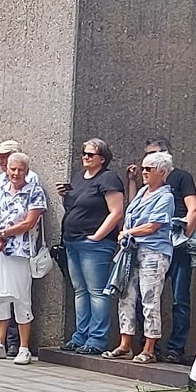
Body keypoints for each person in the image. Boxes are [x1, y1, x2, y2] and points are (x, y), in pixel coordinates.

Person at [125, 136, 196, 364]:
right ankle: (145, 345)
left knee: (179, 297)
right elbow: (132, 208)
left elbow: (194, 209)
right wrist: (131, 180)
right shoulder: (146, 187)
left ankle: (175, 348)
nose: (145, 165)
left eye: (153, 157)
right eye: (145, 159)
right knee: (142, 295)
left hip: (172, 240)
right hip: (146, 242)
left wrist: (183, 237)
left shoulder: (180, 178)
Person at [104, 150, 175, 365]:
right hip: (131, 251)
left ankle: (149, 348)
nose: (144, 172)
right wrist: (127, 231)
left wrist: (128, 232)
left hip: (154, 252)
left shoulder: (166, 196)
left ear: (161, 172)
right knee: (125, 295)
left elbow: (153, 226)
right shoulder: (142, 192)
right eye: (143, 168)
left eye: (148, 169)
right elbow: (129, 218)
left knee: (150, 299)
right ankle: (125, 344)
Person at [57, 138, 124, 355]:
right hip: (73, 241)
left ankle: (97, 339)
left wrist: (97, 236)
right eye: (83, 153)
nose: (85, 157)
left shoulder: (108, 178)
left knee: (97, 292)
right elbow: (76, 207)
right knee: (80, 291)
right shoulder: (79, 178)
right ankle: (80, 335)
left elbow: (116, 211)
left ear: (102, 159)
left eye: (90, 154)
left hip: (94, 244)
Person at [0, 152, 46, 366]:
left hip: (20, 251)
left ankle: (24, 347)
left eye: (20, 169)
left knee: (20, 297)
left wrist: (3, 234)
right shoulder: (2, 190)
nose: (16, 173)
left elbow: (29, 223)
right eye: (12, 169)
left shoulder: (34, 192)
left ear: (27, 170)